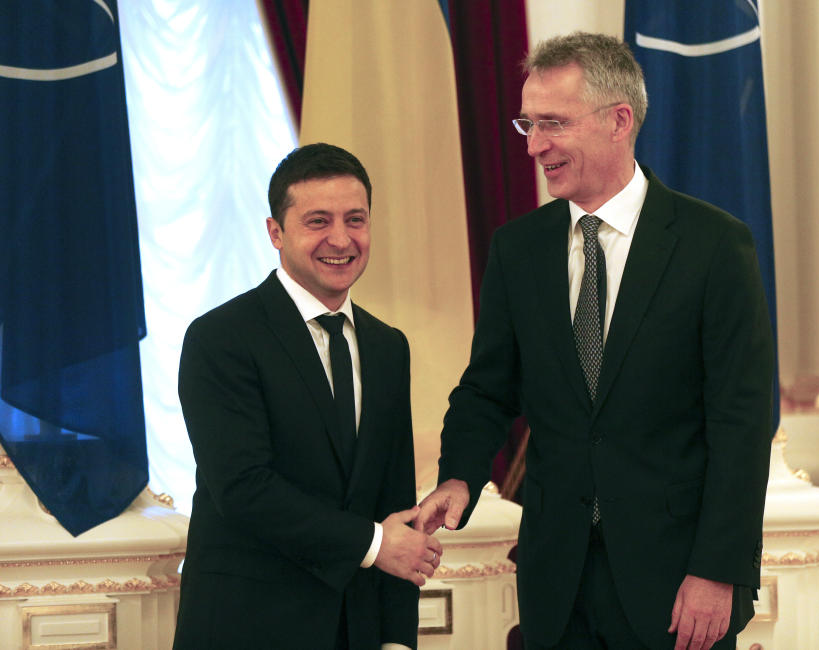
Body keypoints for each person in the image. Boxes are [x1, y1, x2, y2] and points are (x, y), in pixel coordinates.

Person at [415, 32, 774, 650]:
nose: (534, 145)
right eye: (527, 123)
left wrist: (717, 570)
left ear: (619, 121)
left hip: (677, 584)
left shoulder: (714, 245)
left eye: (554, 123)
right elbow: (487, 388)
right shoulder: (518, 249)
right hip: (558, 583)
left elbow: (741, 422)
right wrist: (459, 476)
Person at [174, 143, 440, 650]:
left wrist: (397, 639)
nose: (340, 239)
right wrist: (375, 543)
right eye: (318, 221)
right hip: (246, 630)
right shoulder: (220, 338)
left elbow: (393, 503)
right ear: (275, 232)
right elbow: (243, 488)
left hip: (357, 632)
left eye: (355, 219)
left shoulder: (388, 347)